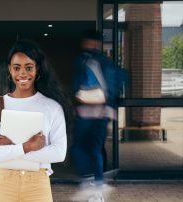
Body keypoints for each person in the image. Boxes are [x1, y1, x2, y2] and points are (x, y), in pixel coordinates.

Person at [0, 39, 73, 202]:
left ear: (37, 69)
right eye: (17, 68)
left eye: (29, 67)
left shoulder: (52, 107)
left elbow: (59, 153)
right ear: (10, 69)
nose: (22, 74)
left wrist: (10, 150)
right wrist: (27, 147)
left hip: (37, 184)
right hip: (3, 183)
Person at [71, 30, 127, 202]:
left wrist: (77, 101)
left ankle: (88, 181)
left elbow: (76, 86)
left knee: (78, 148)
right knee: (95, 150)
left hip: (86, 113)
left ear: (87, 42)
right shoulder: (107, 61)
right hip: (103, 114)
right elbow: (122, 79)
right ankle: (98, 190)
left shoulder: (84, 60)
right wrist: (110, 105)